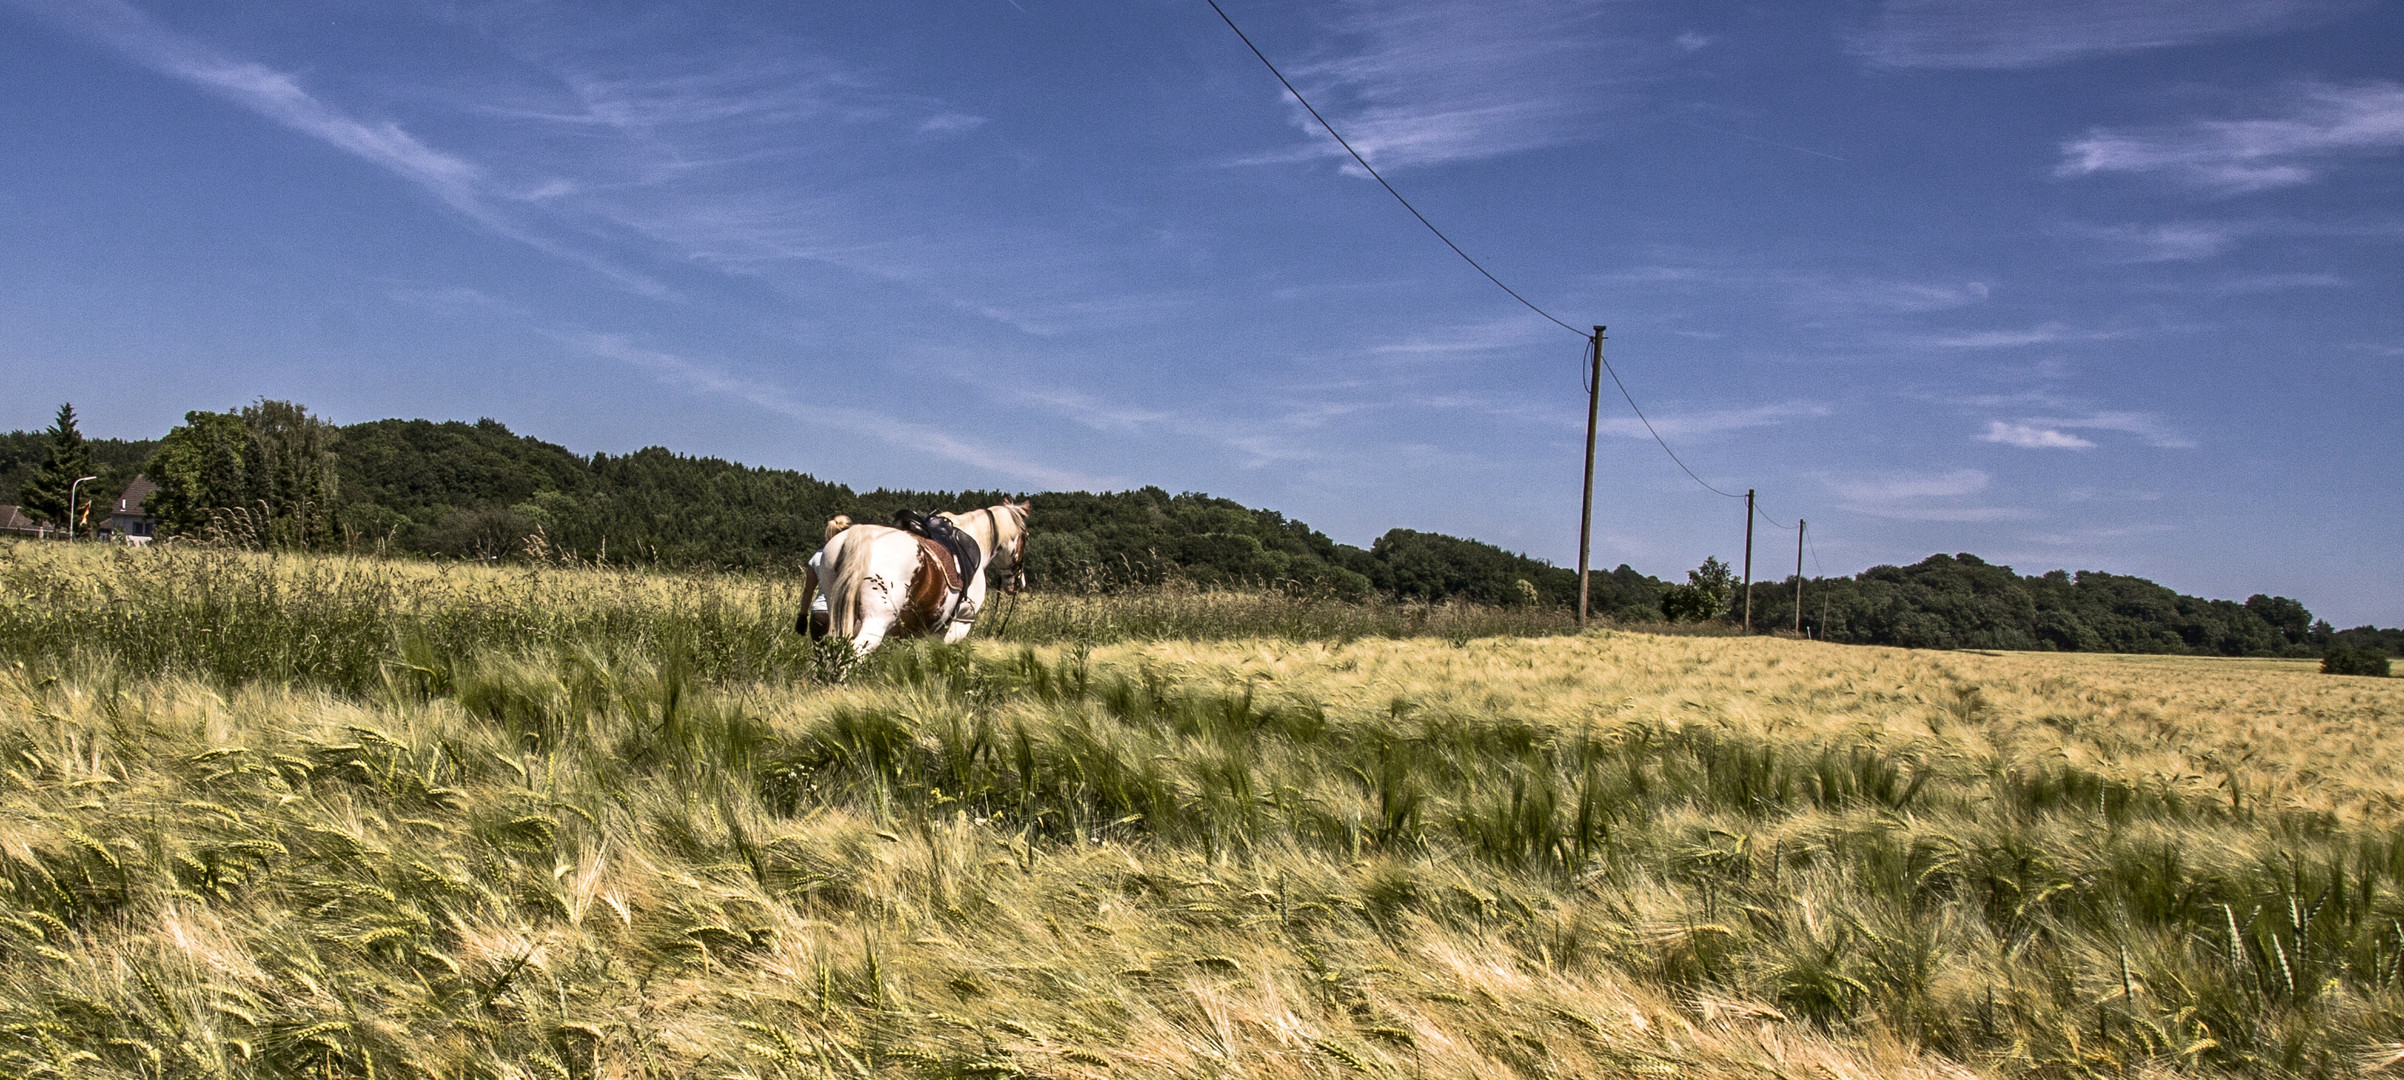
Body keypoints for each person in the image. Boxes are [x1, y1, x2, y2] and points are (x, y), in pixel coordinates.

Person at [799, 514, 851, 637]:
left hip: (820, 612)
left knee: (821, 655)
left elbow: (808, 590)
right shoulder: (851, 558)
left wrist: (802, 615)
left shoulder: (817, 556)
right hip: (843, 614)